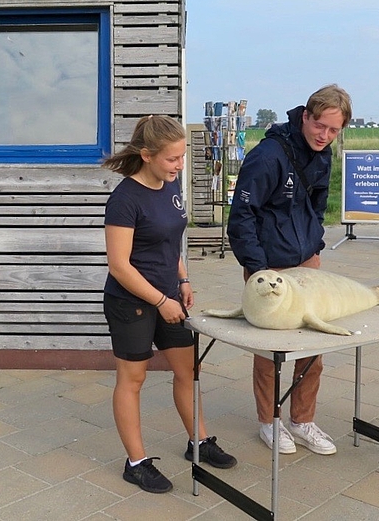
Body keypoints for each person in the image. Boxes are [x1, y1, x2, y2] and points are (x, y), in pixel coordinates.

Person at [102, 115, 237, 494]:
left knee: (188, 370)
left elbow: (169, 241)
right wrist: (162, 300)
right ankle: (136, 462)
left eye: (182, 157)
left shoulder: (169, 187)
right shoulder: (125, 199)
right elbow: (119, 265)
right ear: (147, 155)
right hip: (132, 303)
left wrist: (183, 279)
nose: (179, 165)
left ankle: (199, 441)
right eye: (172, 159)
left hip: (169, 296)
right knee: (133, 379)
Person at [227, 84, 352, 456]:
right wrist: (257, 269)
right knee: (271, 351)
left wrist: (314, 246)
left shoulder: (323, 154)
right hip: (269, 267)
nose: (325, 136)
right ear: (307, 117)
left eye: (334, 131)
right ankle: (270, 422)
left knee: (313, 348)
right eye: (320, 127)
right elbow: (241, 216)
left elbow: (317, 204)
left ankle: (303, 421)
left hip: (307, 263)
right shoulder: (267, 156)